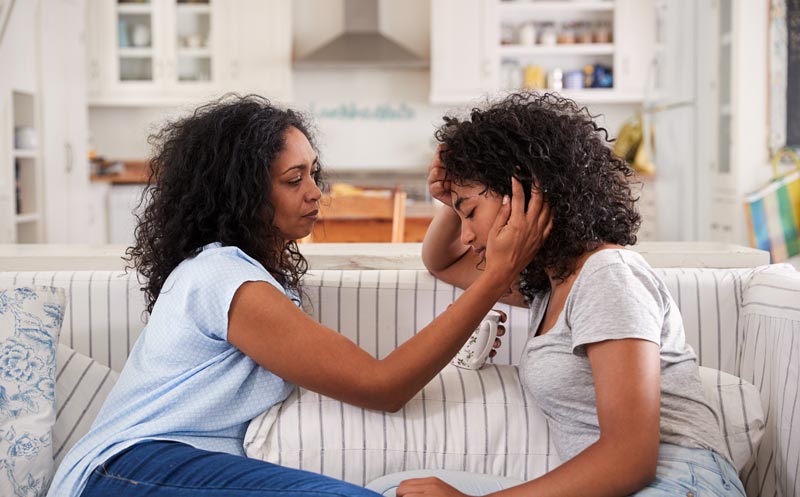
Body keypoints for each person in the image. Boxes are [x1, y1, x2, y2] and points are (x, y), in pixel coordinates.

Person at [46, 94, 551, 497]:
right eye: (294, 180)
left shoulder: (251, 276)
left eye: (313, 173)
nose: (315, 192)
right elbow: (383, 387)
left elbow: (439, 263)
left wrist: (448, 205)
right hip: (129, 469)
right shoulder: (225, 278)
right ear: (240, 192)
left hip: (167, 468)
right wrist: (494, 276)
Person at [407, 92, 745, 497]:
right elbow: (441, 262)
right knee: (400, 490)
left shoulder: (607, 276)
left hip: (681, 481)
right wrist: (454, 200)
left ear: (525, 191)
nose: (465, 235)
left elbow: (630, 460)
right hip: (630, 485)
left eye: (471, 213)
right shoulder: (549, 287)